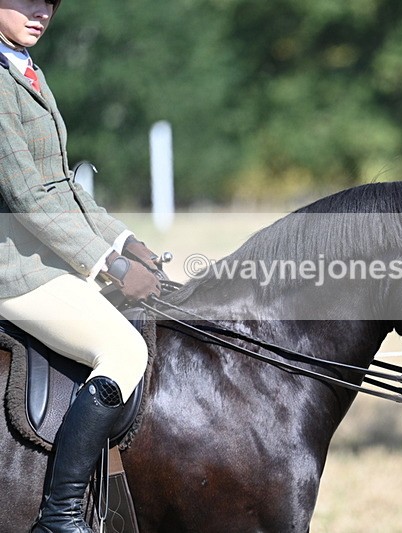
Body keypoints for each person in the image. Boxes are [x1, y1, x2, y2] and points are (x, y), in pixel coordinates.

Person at [0, 1, 163, 531]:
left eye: (49, 2)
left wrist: (125, 239)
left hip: (40, 255)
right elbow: (26, 197)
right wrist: (108, 265)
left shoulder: (24, 69)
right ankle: (60, 517)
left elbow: (63, 184)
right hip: (13, 267)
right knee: (123, 348)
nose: (40, 11)